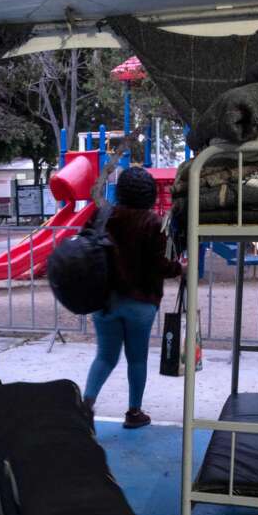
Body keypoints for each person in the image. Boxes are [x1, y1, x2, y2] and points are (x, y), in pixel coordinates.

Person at [82, 166, 181, 429]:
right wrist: (180, 268)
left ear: (121, 191)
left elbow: (84, 247)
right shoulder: (152, 223)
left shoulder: (102, 216)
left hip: (104, 300)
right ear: (149, 194)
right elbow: (160, 264)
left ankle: (86, 407)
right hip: (141, 302)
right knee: (136, 359)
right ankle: (134, 412)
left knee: (104, 357)